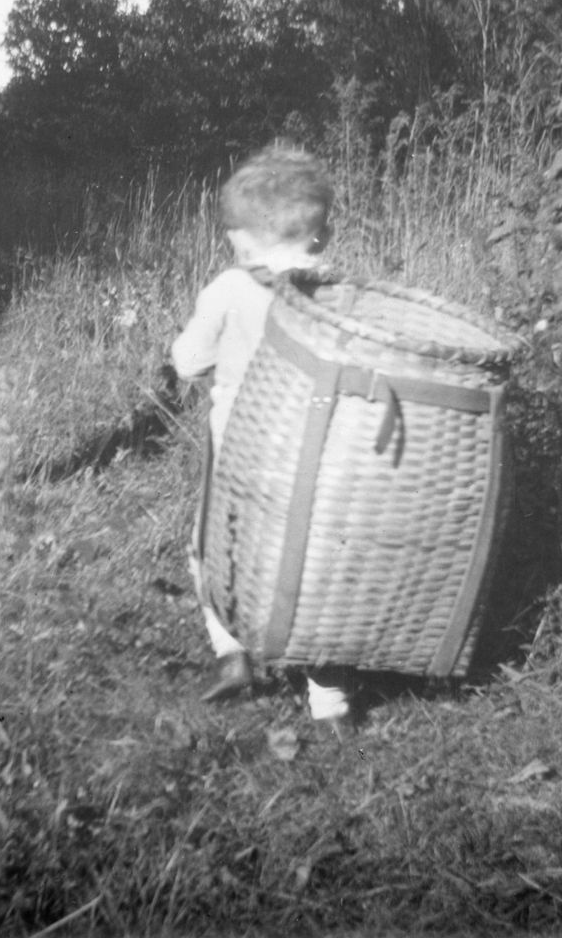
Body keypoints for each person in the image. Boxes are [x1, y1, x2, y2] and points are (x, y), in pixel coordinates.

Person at [171, 143, 349, 722]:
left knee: (214, 549)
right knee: (311, 563)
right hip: (318, 458)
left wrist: (191, 353)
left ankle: (231, 651)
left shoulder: (229, 290)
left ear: (240, 240)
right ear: (319, 239)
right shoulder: (337, 295)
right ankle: (329, 696)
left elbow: (190, 361)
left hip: (241, 455)